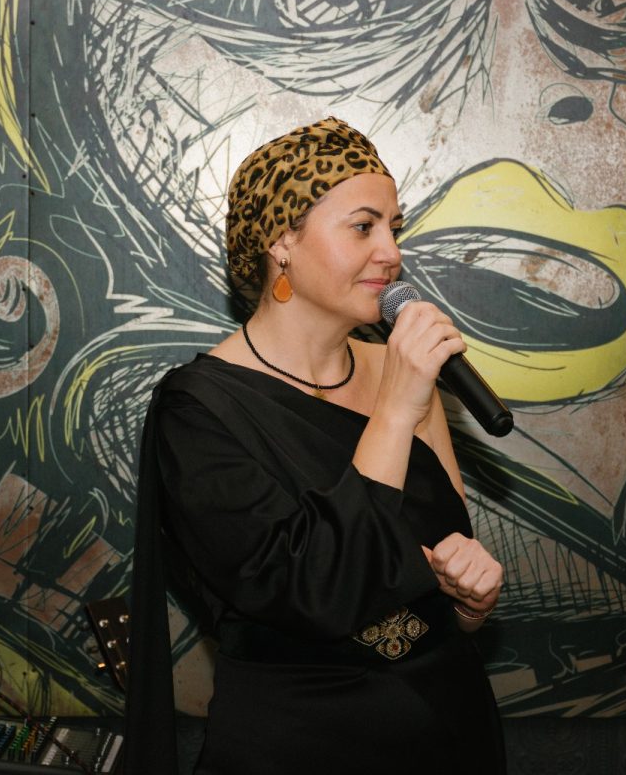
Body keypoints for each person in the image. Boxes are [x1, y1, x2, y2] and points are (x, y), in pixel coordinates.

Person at [123, 117, 506, 774]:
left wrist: (470, 605)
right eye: (363, 227)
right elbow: (314, 586)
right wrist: (396, 408)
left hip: (449, 726)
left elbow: (430, 587)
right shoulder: (199, 409)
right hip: (301, 740)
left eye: (394, 228)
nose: (390, 252)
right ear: (282, 240)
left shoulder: (401, 374)